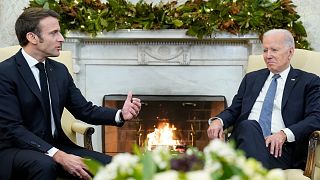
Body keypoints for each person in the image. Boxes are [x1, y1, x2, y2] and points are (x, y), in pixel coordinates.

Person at [0, 7, 141, 180]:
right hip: (16, 149)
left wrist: (120, 114)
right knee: (45, 165)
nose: (61, 38)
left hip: (58, 145)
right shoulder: (5, 73)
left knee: (112, 167)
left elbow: (84, 110)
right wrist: (57, 155)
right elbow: (13, 129)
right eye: (54, 33)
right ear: (32, 37)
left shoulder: (58, 70)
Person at [207, 29, 320, 170]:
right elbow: (234, 109)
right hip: (243, 140)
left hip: (279, 150)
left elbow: (316, 118)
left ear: (290, 52)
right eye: (265, 50)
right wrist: (218, 121)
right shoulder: (252, 79)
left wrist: (284, 134)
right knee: (249, 126)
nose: (268, 56)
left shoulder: (308, 81)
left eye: (274, 50)